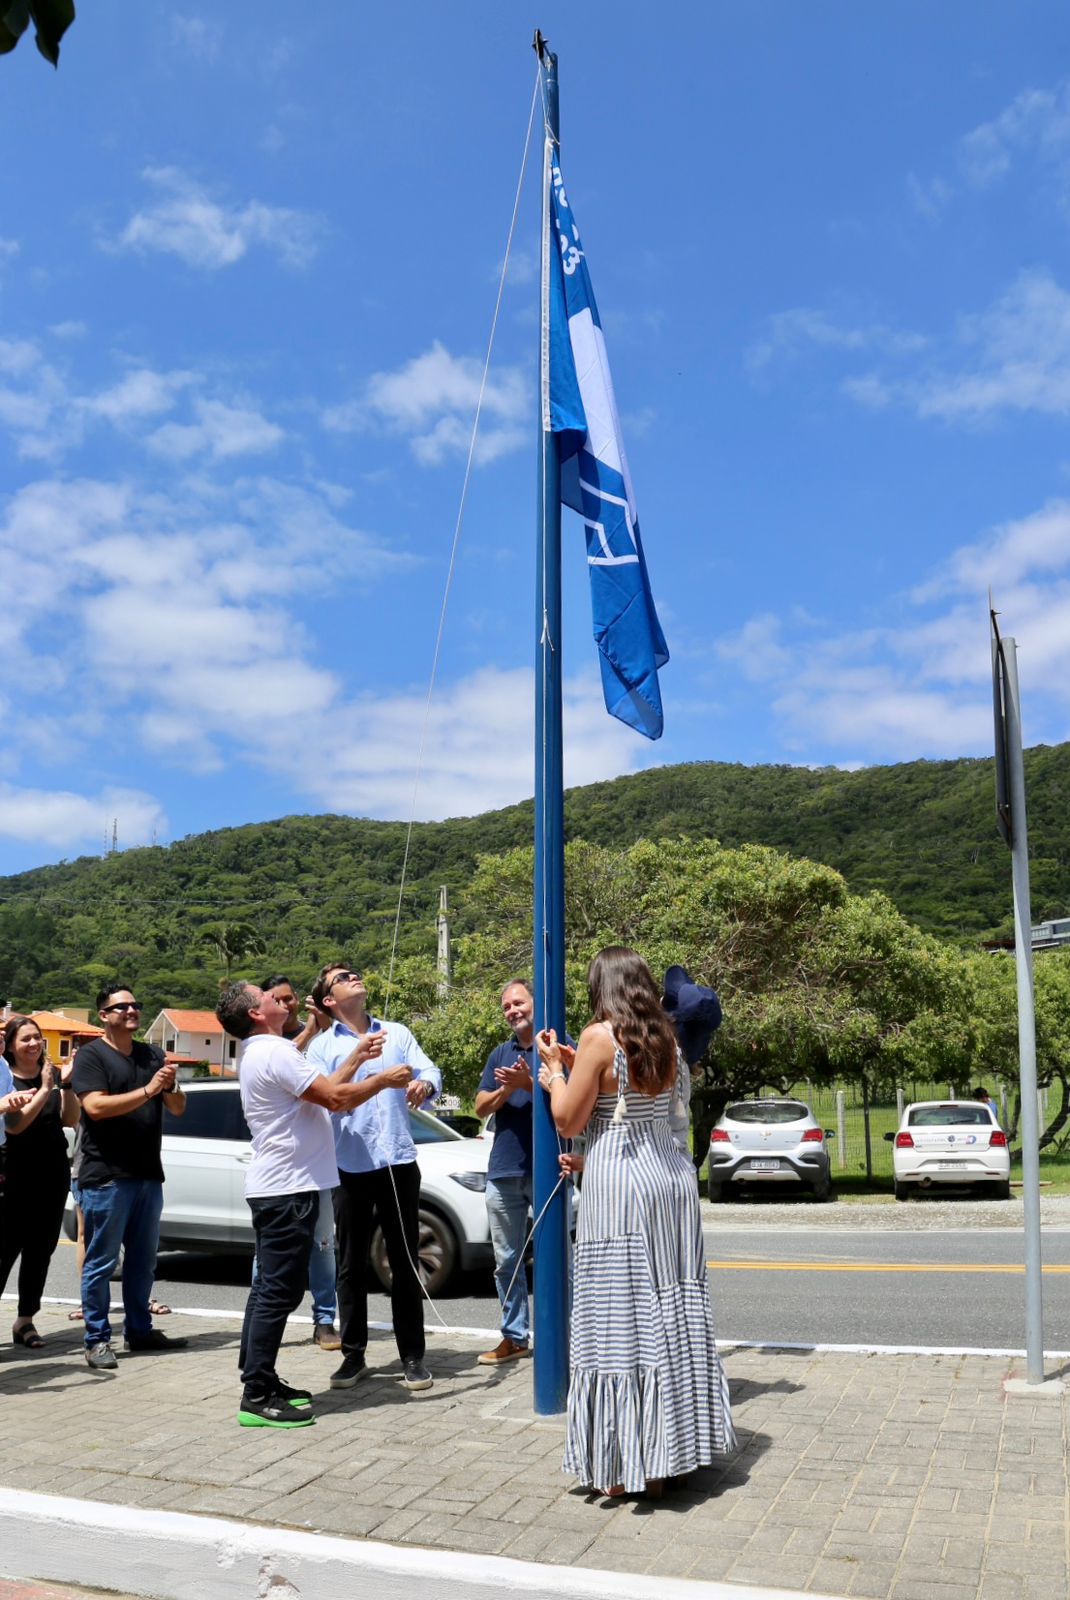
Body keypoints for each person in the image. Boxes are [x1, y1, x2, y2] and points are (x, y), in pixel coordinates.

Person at [537, 946, 735, 1497]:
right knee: (671, 1312)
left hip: (621, 1190)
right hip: (670, 1183)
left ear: (602, 987)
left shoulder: (600, 1036)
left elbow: (569, 1118)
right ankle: (671, 1454)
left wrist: (555, 1073)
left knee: (619, 1321)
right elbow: (636, 1104)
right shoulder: (667, 1038)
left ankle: (626, 1464)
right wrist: (580, 1072)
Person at [216, 979, 400, 1428]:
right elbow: (337, 1100)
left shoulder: (265, 1052)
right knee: (277, 1292)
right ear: (256, 1013)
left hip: (281, 1187)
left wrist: (356, 1058)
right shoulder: (274, 1051)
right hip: (286, 1190)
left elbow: (321, 1095)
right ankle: (256, 1394)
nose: (277, 998)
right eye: (265, 996)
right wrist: (382, 1080)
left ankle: (262, 1378)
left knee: (269, 1291)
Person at [307, 963, 441, 1393]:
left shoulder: (397, 1033)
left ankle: (413, 1358)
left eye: (354, 973)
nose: (354, 977)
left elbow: (429, 1071)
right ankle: (353, 1355)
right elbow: (324, 1096)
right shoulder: (321, 1046)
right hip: (348, 1165)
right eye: (343, 977)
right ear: (329, 1000)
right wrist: (359, 1058)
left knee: (404, 1262)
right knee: (350, 1264)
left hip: (398, 1162)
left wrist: (425, 1087)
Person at [70, 982, 190, 1371]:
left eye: (135, 1005)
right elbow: (95, 1107)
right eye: (121, 1007)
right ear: (104, 1015)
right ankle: (97, 1339)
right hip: (106, 1175)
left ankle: (139, 1330)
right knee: (102, 1264)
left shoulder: (152, 1054)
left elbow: (177, 1108)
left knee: (143, 1261)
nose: (131, 1011)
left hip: (146, 1174)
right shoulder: (91, 1057)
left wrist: (169, 1086)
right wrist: (148, 1088)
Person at [258, 974, 339, 1351]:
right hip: (278, 1170)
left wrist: (320, 1030)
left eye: (291, 998)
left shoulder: (323, 1039)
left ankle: (325, 1320)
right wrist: (310, 1029)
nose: (288, 1005)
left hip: (316, 1162)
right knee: (268, 1252)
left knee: (323, 1244)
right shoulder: (265, 1041)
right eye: (279, 999)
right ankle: (259, 1322)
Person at [0, 1017, 80, 1348]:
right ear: (11, 1046)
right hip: (15, 1172)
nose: (34, 1044)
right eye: (26, 1039)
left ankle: (25, 1320)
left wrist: (66, 1085)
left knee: (40, 1250)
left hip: (51, 1172)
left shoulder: (52, 1075)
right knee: (5, 1250)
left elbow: (70, 1119)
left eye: (37, 1038)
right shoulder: (6, 1078)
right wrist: (45, 1089)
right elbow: (14, 1126)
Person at [475, 980, 537, 1365]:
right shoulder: (501, 1052)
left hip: (547, 1169)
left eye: (519, 1003)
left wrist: (527, 1082)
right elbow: (481, 1106)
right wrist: (505, 1090)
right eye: (506, 1007)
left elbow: (574, 1099)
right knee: (506, 1261)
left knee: (555, 1258)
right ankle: (514, 1337)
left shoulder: (557, 1043)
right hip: (503, 1170)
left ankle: (565, 1334)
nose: (512, 1010)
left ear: (536, 1002)